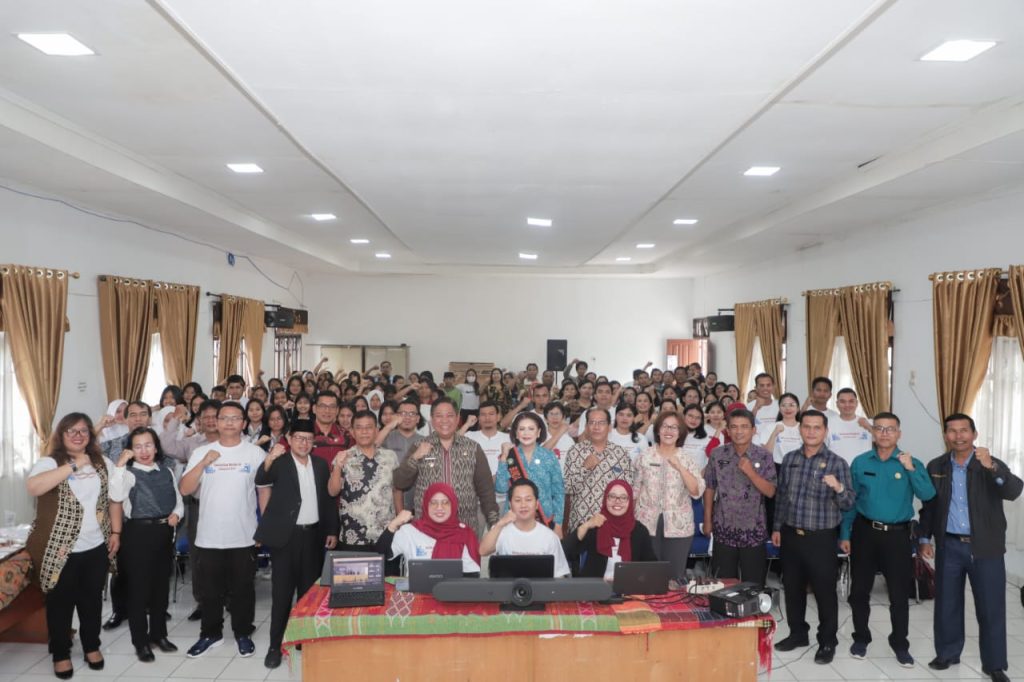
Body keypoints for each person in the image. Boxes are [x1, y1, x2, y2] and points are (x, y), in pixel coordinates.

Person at [918, 413, 1023, 680]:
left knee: (991, 607)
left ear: (974, 434)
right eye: (952, 431)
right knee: (946, 604)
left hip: (985, 547)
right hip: (949, 545)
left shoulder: (988, 462)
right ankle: (947, 653)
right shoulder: (937, 465)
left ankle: (994, 664)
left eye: (964, 430)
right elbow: (930, 506)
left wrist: (992, 467)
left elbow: (1013, 491)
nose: (958, 436)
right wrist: (924, 538)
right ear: (946, 435)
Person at [26, 413, 123, 679]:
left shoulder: (102, 462)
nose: (78, 435)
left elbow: (114, 498)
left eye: (83, 431)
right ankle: (60, 653)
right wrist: (73, 465)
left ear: (90, 435)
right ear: (61, 435)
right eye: (71, 431)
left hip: (96, 545)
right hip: (60, 548)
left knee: (91, 600)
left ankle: (92, 646)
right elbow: (34, 487)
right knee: (60, 602)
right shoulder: (49, 462)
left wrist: (116, 532)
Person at [839, 412, 935, 668]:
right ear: (872, 432)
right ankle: (861, 638)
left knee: (899, 593)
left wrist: (911, 470)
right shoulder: (860, 462)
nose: (884, 433)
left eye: (890, 429)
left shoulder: (911, 462)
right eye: (879, 428)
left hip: (897, 536)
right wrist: (845, 533)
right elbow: (851, 502)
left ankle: (900, 643)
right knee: (859, 591)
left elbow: (927, 494)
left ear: (898, 434)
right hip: (864, 533)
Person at [179, 401, 267, 659]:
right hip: (209, 535)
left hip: (244, 534)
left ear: (244, 423)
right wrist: (203, 463)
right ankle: (210, 634)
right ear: (216, 422)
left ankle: (243, 633)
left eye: (235, 418)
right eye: (224, 418)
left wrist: (264, 527)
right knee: (210, 590)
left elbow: (264, 492)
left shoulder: (255, 454)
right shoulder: (202, 452)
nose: (229, 422)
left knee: (243, 589)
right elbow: (185, 489)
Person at [254, 419, 340, 669]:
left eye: (309, 439)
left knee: (308, 593)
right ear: (289, 439)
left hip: (313, 536)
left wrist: (332, 529)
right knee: (282, 594)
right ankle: (275, 646)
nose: (304, 443)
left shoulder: (321, 465)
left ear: (314, 442)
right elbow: (261, 478)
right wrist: (269, 458)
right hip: (286, 538)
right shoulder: (280, 463)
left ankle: (303, 638)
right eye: (299, 438)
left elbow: (327, 500)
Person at [771, 410, 855, 664]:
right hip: (791, 534)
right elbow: (782, 496)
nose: (811, 432)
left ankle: (827, 641)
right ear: (800, 429)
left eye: (817, 427)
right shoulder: (790, 459)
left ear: (825, 431)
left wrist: (838, 487)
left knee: (824, 591)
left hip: (821, 538)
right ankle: (798, 634)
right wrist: (777, 527)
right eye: (806, 426)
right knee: (792, 588)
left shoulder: (837, 463)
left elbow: (849, 502)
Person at [109, 427, 183, 662]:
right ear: (130, 450)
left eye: (148, 445)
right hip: (137, 535)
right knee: (138, 592)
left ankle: (159, 635)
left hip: (163, 534)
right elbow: (115, 495)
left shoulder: (166, 471)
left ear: (156, 447)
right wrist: (120, 466)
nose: (144, 451)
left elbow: (178, 500)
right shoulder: (128, 474)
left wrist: (177, 514)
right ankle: (140, 642)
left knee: (161, 588)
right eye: (138, 446)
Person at [393, 398, 499, 535]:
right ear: (432, 419)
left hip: (464, 528)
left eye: (449, 415)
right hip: (427, 529)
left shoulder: (472, 448)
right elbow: (400, 482)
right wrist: (415, 458)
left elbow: (486, 490)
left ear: (457, 418)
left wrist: (494, 522)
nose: (444, 420)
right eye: (439, 416)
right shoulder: (419, 446)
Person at [703, 408, 776, 585]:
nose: (739, 431)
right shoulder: (717, 454)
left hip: (753, 531)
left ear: (753, 430)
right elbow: (710, 487)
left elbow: (770, 491)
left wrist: (751, 473)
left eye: (744, 426)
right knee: (723, 585)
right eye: (734, 427)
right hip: (723, 529)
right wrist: (707, 520)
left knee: (753, 586)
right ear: (727, 430)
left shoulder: (764, 456)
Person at [633, 411, 706, 582]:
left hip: (678, 526)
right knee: (647, 577)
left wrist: (680, 467)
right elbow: (635, 490)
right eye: (665, 426)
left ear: (680, 433)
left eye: (674, 427)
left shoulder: (687, 459)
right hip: (645, 523)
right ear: (657, 430)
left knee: (673, 578)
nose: (669, 431)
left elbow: (696, 492)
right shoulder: (644, 456)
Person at [329, 410, 400, 548]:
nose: (364, 432)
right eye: (359, 428)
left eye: (368, 427)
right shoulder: (344, 456)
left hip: (386, 533)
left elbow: (396, 490)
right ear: (352, 432)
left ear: (376, 430)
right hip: (353, 535)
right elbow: (332, 491)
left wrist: (399, 519)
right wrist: (338, 466)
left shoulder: (390, 456)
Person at [377, 483, 481, 575]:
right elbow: (380, 556)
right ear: (426, 505)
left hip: (452, 591)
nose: (439, 507)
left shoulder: (465, 534)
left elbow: (471, 576)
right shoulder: (409, 531)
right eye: (433, 502)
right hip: (416, 591)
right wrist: (393, 525)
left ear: (453, 505)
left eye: (445, 502)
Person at [563, 480, 656, 579]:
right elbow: (563, 552)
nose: (617, 501)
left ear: (629, 502)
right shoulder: (595, 527)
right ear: (605, 499)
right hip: (595, 587)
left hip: (628, 588)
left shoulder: (640, 531)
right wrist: (586, 525)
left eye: (623, 497)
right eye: (612, 496)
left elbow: (652, 568)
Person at [480, 479, 571, 578]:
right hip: (507, 587)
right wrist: (500, 523)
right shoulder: (501, 530)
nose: (523, 505)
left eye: (528, 500)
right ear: (510, 505)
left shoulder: (550, 537)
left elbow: (559, 576)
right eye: (518, 500)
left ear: (537, 504)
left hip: (540, 588)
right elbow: (483, 551)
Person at [495, 412, 565, 536]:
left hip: (544, 520)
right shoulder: (509, 456)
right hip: (514, 520)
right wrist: (504, 456)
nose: (526, 433)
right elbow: (501, 488)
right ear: (516, 433)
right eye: (522, 429)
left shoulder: (549, 456)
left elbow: (558, 492)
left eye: (531, 429)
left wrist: (558, 524)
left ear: (538, 432)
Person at [827, 388, 873, 465]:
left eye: (851, 401)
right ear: (837, 404)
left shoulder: (868, 423)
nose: (847, 405)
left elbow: (883, 441)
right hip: (836, 468)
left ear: (856, 403)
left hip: (863, 468)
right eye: (842, 402)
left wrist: (869, 427)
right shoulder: (828, 423)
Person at [310, 391, 354, 468]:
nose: (327, 410)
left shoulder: (346, 435)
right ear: (314, 409)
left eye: (332, 407)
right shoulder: (303, 434)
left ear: (337, 410)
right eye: (322, 406)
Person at [761, 392, 803, 464]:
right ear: (780, 409)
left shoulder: (804, 428)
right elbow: (766, 454)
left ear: (798, 408)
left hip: (800, 466)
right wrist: (774, 433)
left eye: (791, 405)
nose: (787, 408)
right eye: (783, 405)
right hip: (777, 466)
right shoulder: (771, 427)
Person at [746, 373, 779, 445]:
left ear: (773, 387)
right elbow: (746, 426)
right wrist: (756, 408)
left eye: (768, 385)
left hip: (776, 445)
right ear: (756, 388)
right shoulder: (749, 407)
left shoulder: (780, 405)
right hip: (756, 446)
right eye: (762, 385)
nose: (765, 388)